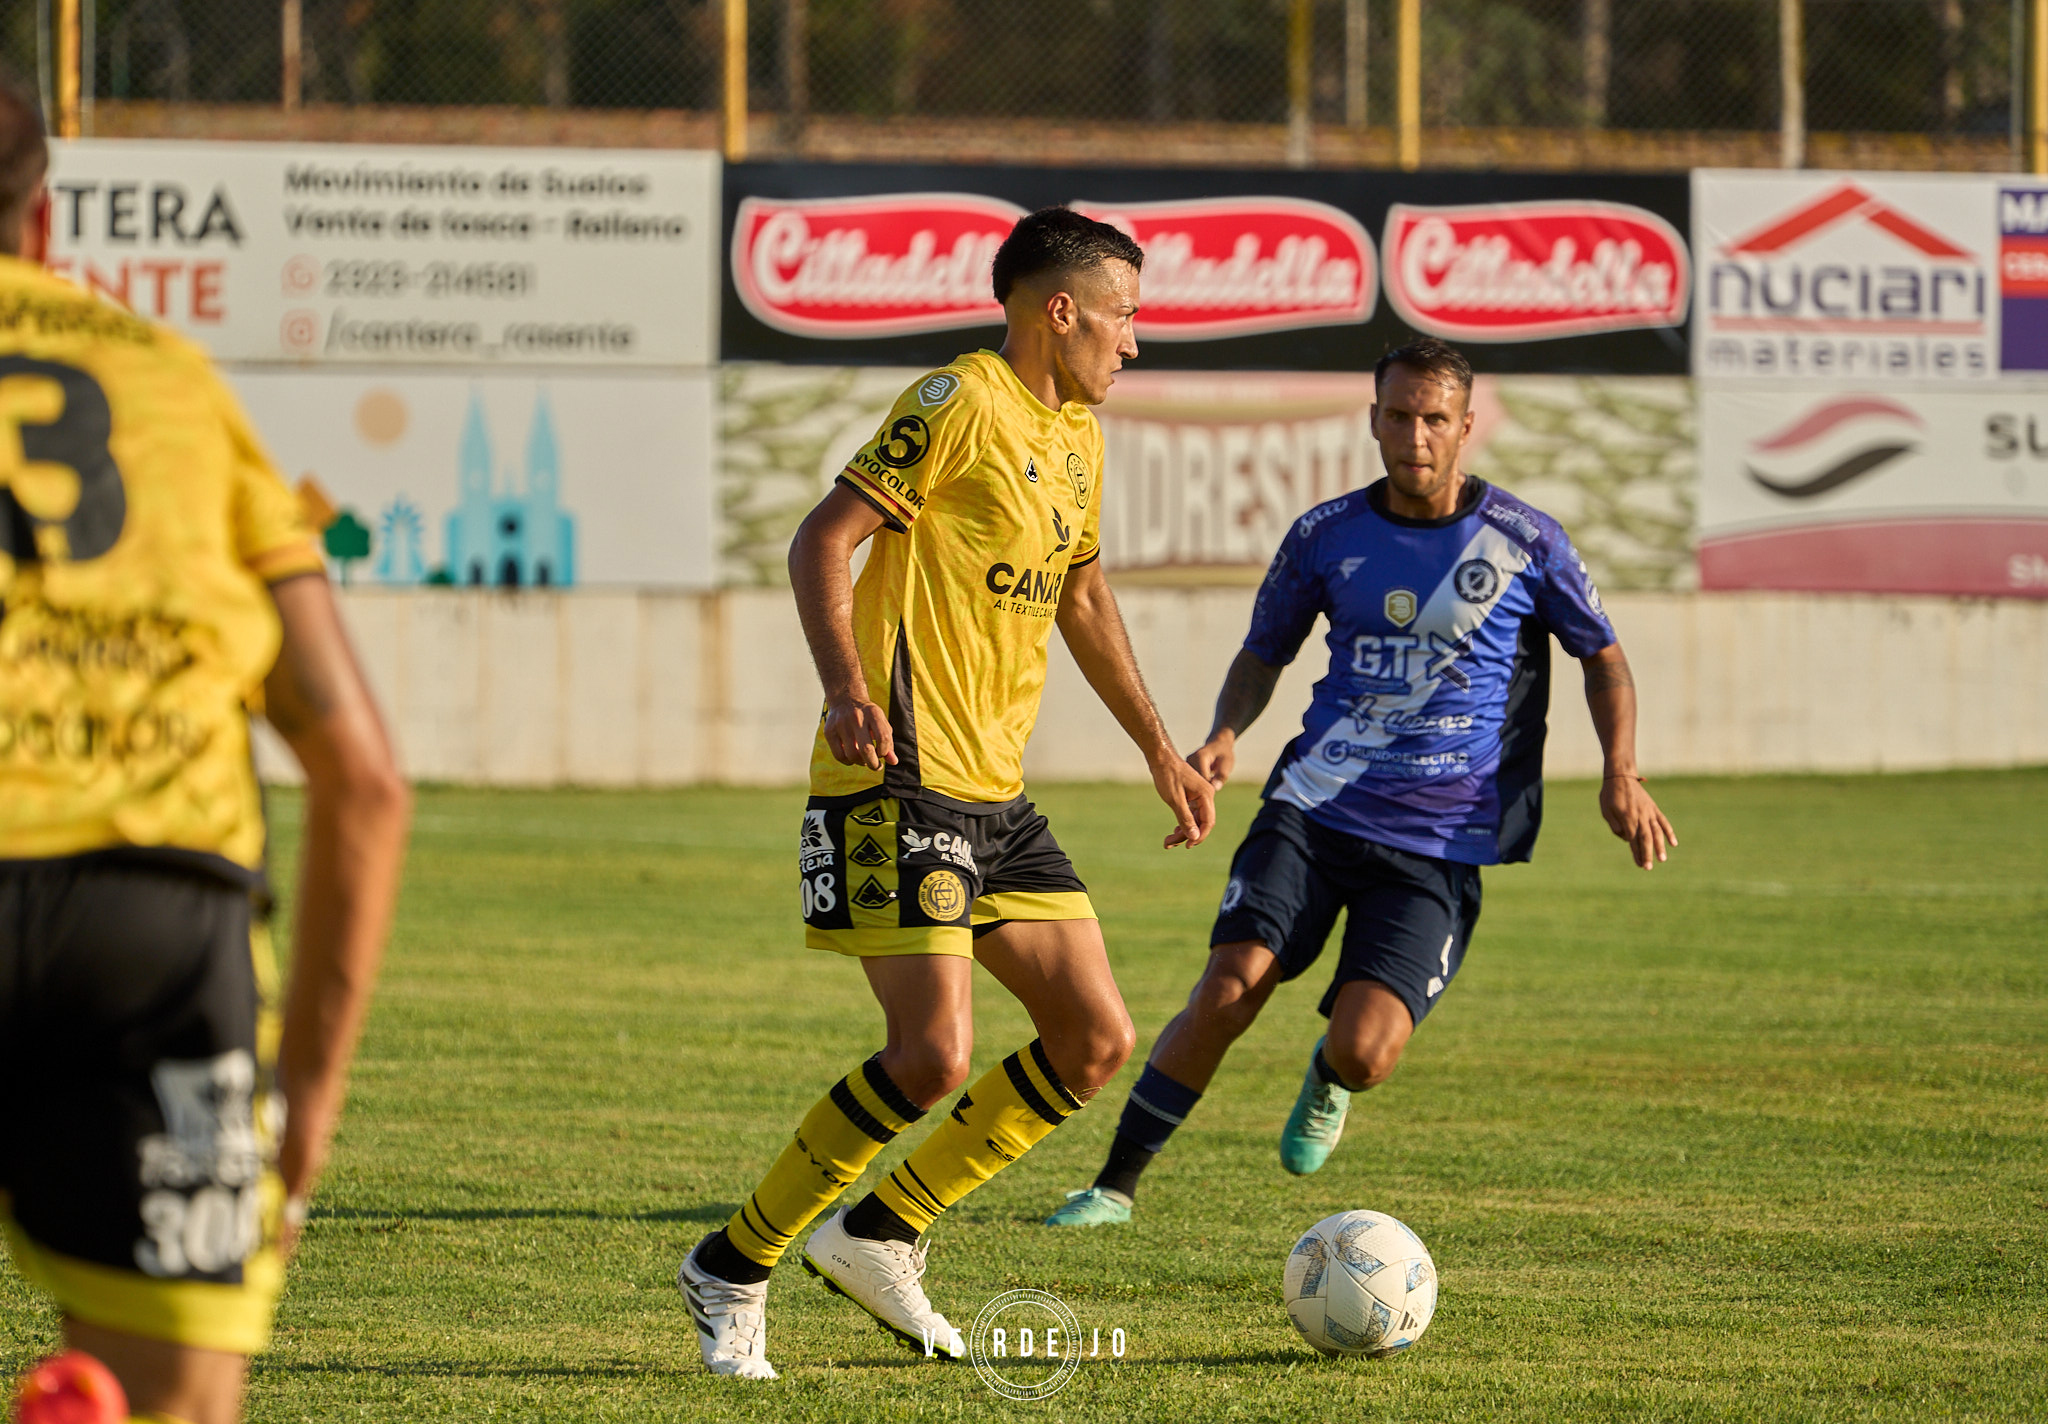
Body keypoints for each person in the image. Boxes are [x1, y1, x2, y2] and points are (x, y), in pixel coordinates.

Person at [678, 207, 1215, 1380]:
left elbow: (1080, 598)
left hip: (995, 794)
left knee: (1092, 1037)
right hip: (896, 773)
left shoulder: (1076, 434)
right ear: (1056, 309)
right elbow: (823, 536)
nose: (1133, 341)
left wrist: (1158, 749)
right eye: (1122, 315)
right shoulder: (959, 399)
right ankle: (735, 1260)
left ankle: (880, 1227)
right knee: (929, 1056)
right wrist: (842, 685)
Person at [1045, 336, 1676, 1229]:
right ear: (1372, 419)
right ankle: (1113, 1186)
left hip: (1440, 841)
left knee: (1368, 1051)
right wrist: (1226, 732)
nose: (1414, 435)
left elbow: (1603, 659)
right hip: (1314, 808)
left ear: (1465, 427)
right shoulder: (1325, 534)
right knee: (1231, 986)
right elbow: (1265, 650)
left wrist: (1622, 772)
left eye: (1433, 419)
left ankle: (1332, 1073)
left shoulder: (1526, 542)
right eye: (1397, 416)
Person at [0, 84, 410, 1424]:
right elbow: (363, 775)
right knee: (178, 1398)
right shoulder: (168, 379)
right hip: (158, 926)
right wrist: (305, 1106)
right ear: (45, 219)